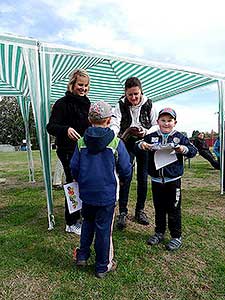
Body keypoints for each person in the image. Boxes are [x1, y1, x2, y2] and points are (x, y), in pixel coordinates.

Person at [70, 101, 132, 278]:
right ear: (108, 120)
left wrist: (79, 179)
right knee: (104, 230)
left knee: (87, 224)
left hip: (87, 193)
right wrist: (124, 181)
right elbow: (126, 169)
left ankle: (82, 256)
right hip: (107, 195)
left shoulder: (81, 142)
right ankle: (102, 266)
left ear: (90, 120)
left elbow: (74, 167)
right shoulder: (115, 142)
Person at [137, 108, 197, 251]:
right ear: (157, 122)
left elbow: (193, 150)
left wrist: (183, 149)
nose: (166, 123)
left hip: (173, 181)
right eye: (163, 120)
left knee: (174, 208)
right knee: (159, 208)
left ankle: (176, 237)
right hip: (157, 181)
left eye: (169, 120)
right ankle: (159, 232)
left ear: (175, 122)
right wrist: (142, 145)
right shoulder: (151, 136)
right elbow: (136, 145)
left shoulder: (179, 137)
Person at [46, 69, 91, 235]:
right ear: (72, 84)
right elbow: (50, 126)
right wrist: (66, 130)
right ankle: (71, 222)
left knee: (82, 182)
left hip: (83, 150)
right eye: (80, 85)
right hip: (66, 150)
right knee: (72, 183)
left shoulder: (87, 103)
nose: (83, 88)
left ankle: (80, 215)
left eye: (86, 86)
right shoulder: (61, 103)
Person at [110, 76, 158, 229]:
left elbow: (156, 124)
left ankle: (140, 210)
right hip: (126, 142)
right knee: (125, 175)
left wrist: (146, 131)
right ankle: (123, 211)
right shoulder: (120, 105)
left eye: (136, 94)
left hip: (144, 142)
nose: (133, 98)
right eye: (130, 94)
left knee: (143, 177)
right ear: (125, 93)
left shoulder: (149, 103)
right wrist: (114, 135)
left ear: (140, 91)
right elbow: (115, 123)